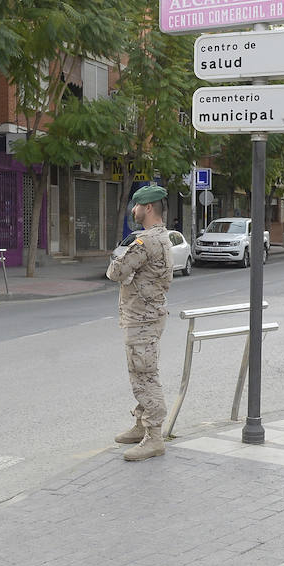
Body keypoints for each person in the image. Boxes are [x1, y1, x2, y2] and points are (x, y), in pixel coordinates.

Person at [107, 184, 174, 462]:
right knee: (142, 372)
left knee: (144, 376)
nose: (132, 210)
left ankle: (154, 436)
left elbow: (115, 272)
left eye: (136, 206)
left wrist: (119, 253)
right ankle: (140, 424)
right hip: (149, 316)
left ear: (148, 208)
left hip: (141, 320)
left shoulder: (145, 242)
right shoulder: (164, 238)